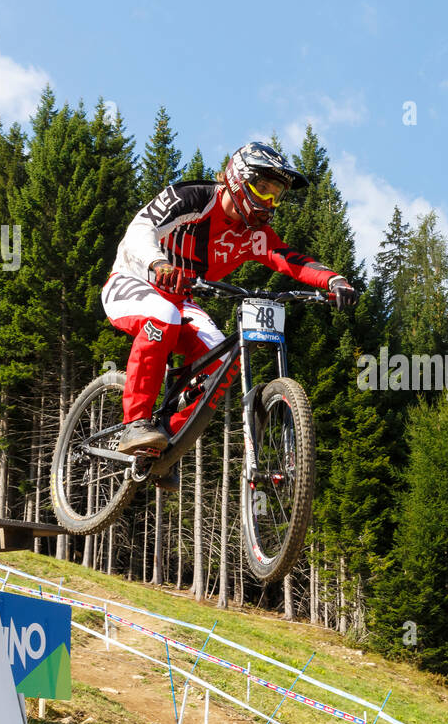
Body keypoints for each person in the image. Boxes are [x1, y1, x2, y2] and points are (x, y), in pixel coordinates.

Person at [102, 141, 358, 489]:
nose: (268, 201)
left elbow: (290, 259)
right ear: (239, 179)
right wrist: (158, 263)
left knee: (222, 359)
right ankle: (136, 423)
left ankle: (164, 443)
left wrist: (334, 279)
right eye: (262, 188)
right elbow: (139, 230)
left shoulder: (254, 235)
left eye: (276, 194)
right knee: (162, 314)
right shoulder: (193, 198)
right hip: (131, 280)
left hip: (180, 300)